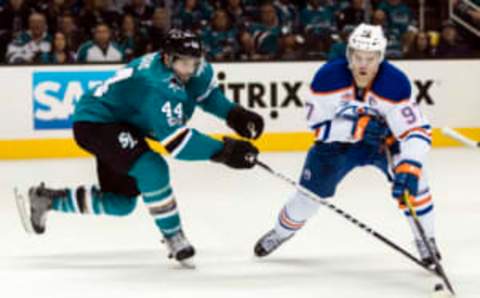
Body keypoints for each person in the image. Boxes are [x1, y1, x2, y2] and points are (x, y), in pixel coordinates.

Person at [15, 29, 263, 267]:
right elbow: (178, 144)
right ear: (167, 58)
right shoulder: (157, 84)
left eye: (194, 63)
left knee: (121, 204)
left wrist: (234, 114)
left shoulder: (191, 67)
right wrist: (226, 151)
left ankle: (47, 199)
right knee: (152, 169)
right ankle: (174, 237)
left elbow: (204, 94)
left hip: (124, 122)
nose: (189, 70)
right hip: (96, 122)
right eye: (183, 64)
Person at [254, 23, 441, 268]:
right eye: (358, 57)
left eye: (370, 59)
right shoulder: (327, 78)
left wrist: (411, 164)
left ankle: (426, 239)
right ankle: (280, 232)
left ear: (380, 58)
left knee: (415, 185)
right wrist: (357, 128)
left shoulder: (395, 83)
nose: (363, 65)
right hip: (337, 146)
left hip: (384, 144)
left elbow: (416, 131)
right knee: (307, 199)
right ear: (349, 55)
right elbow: (317, 127)